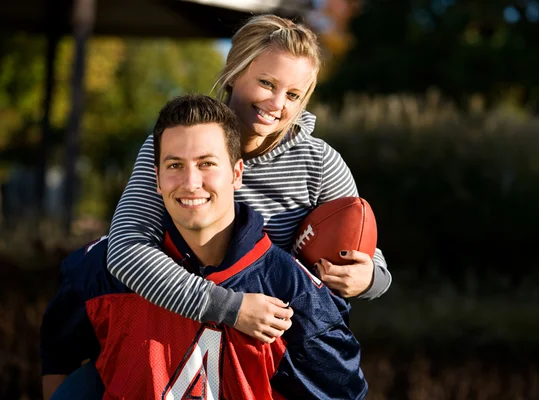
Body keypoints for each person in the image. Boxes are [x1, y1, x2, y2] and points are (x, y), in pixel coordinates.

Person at [40, 94, 368, 400]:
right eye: (175, 165)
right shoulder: (101, 268)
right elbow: (58, 358)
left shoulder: (293, 291)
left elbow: (341, 390)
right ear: (156, 178)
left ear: (237, 173)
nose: (191, 182)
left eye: (207, 163)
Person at [106, 14, 392, 342]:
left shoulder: (320, 163)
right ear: (234, 73)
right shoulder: (175, 142)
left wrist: (367, 278)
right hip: (171, 343)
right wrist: (231, 308)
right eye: (267, 83)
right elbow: (126, 250)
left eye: (293, 95)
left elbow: (373, 263)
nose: (276, 104)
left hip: (273, 358)